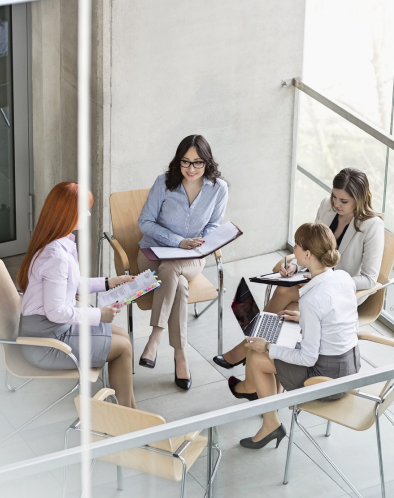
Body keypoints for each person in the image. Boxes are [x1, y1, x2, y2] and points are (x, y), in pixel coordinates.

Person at [216, 168, 383, 399]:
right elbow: (310, 247)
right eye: (334, 196)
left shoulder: (372, 225)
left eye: (343, 200)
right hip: (315, 280)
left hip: (340, 292)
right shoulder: (327, 205)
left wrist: (323, 280)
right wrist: (297, 267)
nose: (336, 204)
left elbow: (369, 278)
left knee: (291, 307)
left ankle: (249, 353)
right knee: (287, 298)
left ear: (360, 198)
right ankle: (259, 371)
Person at [239, 222, 360, 449]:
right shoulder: (343, 278)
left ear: (307, 254)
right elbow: (337, 322)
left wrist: (266, 348)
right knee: (277, 343)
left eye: (296, 245)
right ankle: (270, 408)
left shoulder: (312, 300)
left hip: (326, 381)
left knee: (257, 357)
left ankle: (270, 424)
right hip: (351, 369)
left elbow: (308, 359)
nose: (292, 250)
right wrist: (302, 319)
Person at [17, 182, 136, 408]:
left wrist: (109, 282)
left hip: (52, 329)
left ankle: (130, 413)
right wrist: (98, 315)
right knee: (123, 348)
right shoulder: (56, 257)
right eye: (85, 209)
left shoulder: (58, 244)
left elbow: (70, 284)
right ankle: (127, 414)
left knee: (123, 337)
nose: (89, 213)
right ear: (68, 214)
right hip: (46, 342)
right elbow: (56, 311)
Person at [137, 135, 228, 390]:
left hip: (191, 259)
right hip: (153, 255)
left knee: (174, 269)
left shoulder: (218, 188)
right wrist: (178, 241)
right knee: (177, 283)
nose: (190, 169)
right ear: (178, 162)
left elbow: (213, 225)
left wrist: (200, 242)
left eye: (198, 163)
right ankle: (181, 356)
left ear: (207, 163)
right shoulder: (164, 183)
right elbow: (145, 222)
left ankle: (154, 338)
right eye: (185, 162)